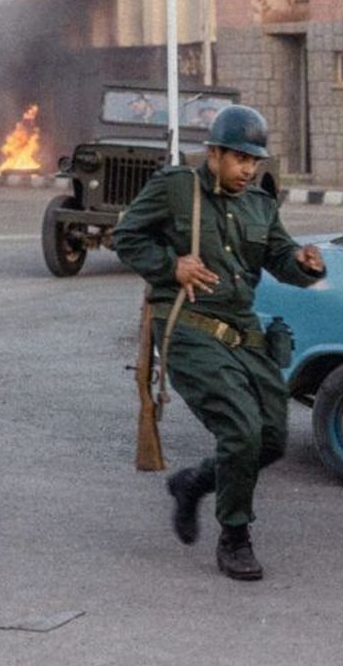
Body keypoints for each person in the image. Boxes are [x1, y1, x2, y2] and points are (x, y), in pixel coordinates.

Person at [111, 105, 325, 581]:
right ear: (214, 153)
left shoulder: (260, 205)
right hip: (189, 329)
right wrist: (172, 266)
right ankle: (235, 538)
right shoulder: (176, 188)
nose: (249, 169)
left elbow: (280, 258)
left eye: (255, 160)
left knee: (271, 439)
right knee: (241, 430)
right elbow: (126, 237)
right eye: (240, 159)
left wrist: (306, 265)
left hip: (244, 333)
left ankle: (193, 483)